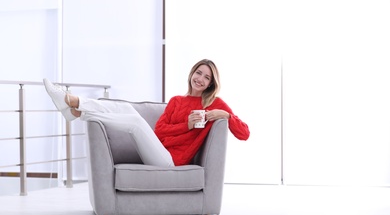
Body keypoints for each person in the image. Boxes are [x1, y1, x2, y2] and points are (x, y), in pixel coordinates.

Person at [43, 59, 250, 167]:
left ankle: (80, 113)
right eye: (198, 73)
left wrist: (226, 116)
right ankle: (75, 102)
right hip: (155, 151)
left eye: (206, 77)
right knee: (126, 108)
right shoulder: (177, 101)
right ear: (192, 74)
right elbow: (159, 132)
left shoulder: (215, 104)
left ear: (211, 83)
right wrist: (185, 125)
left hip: (172, 162)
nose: (200, 79)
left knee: (134, 121)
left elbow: (245, 134)